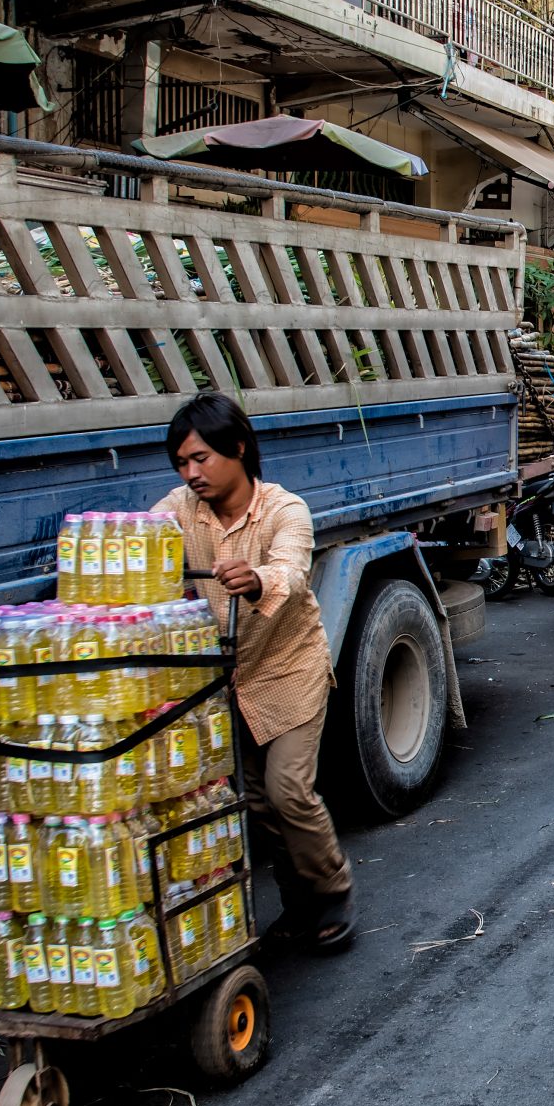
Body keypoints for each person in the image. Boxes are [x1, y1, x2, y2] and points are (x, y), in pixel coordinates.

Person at [158, 393, 352, 954]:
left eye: (200, 459)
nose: (191, 473)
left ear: (237, 448)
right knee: (255, 802)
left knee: (288, 789)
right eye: (181, 463)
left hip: (288, 668)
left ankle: (333, 889)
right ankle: (298, 902)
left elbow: (291, 571)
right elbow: (138, 535)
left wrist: (259, 578)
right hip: (225, 679)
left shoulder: (283, 510)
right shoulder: (180, 509)